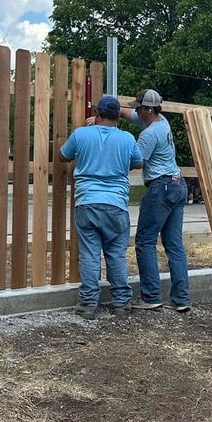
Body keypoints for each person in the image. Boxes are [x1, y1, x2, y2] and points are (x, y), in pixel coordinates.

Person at [59, 95, 143, 320]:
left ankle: (88, 305)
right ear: (118, 116)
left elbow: (62, 156)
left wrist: (87, 134)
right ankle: (121, 304)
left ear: (97, 113)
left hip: (87, 203)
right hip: (116, 205)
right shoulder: (127, 138)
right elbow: (138, 162)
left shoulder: (81, 134)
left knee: (89, 255)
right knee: (116, 255)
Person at [120, 89, 192, 313]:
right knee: (174, 244)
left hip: (161, 187)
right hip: (178, 185)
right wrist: (110, 108)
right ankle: (182, 299)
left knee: (145, 241)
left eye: (139, 107)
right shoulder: (162, 121)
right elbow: (128, 114)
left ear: (148, 110)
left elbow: (138, 162)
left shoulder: (149, 135)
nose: (136, 110)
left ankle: (150, 296)